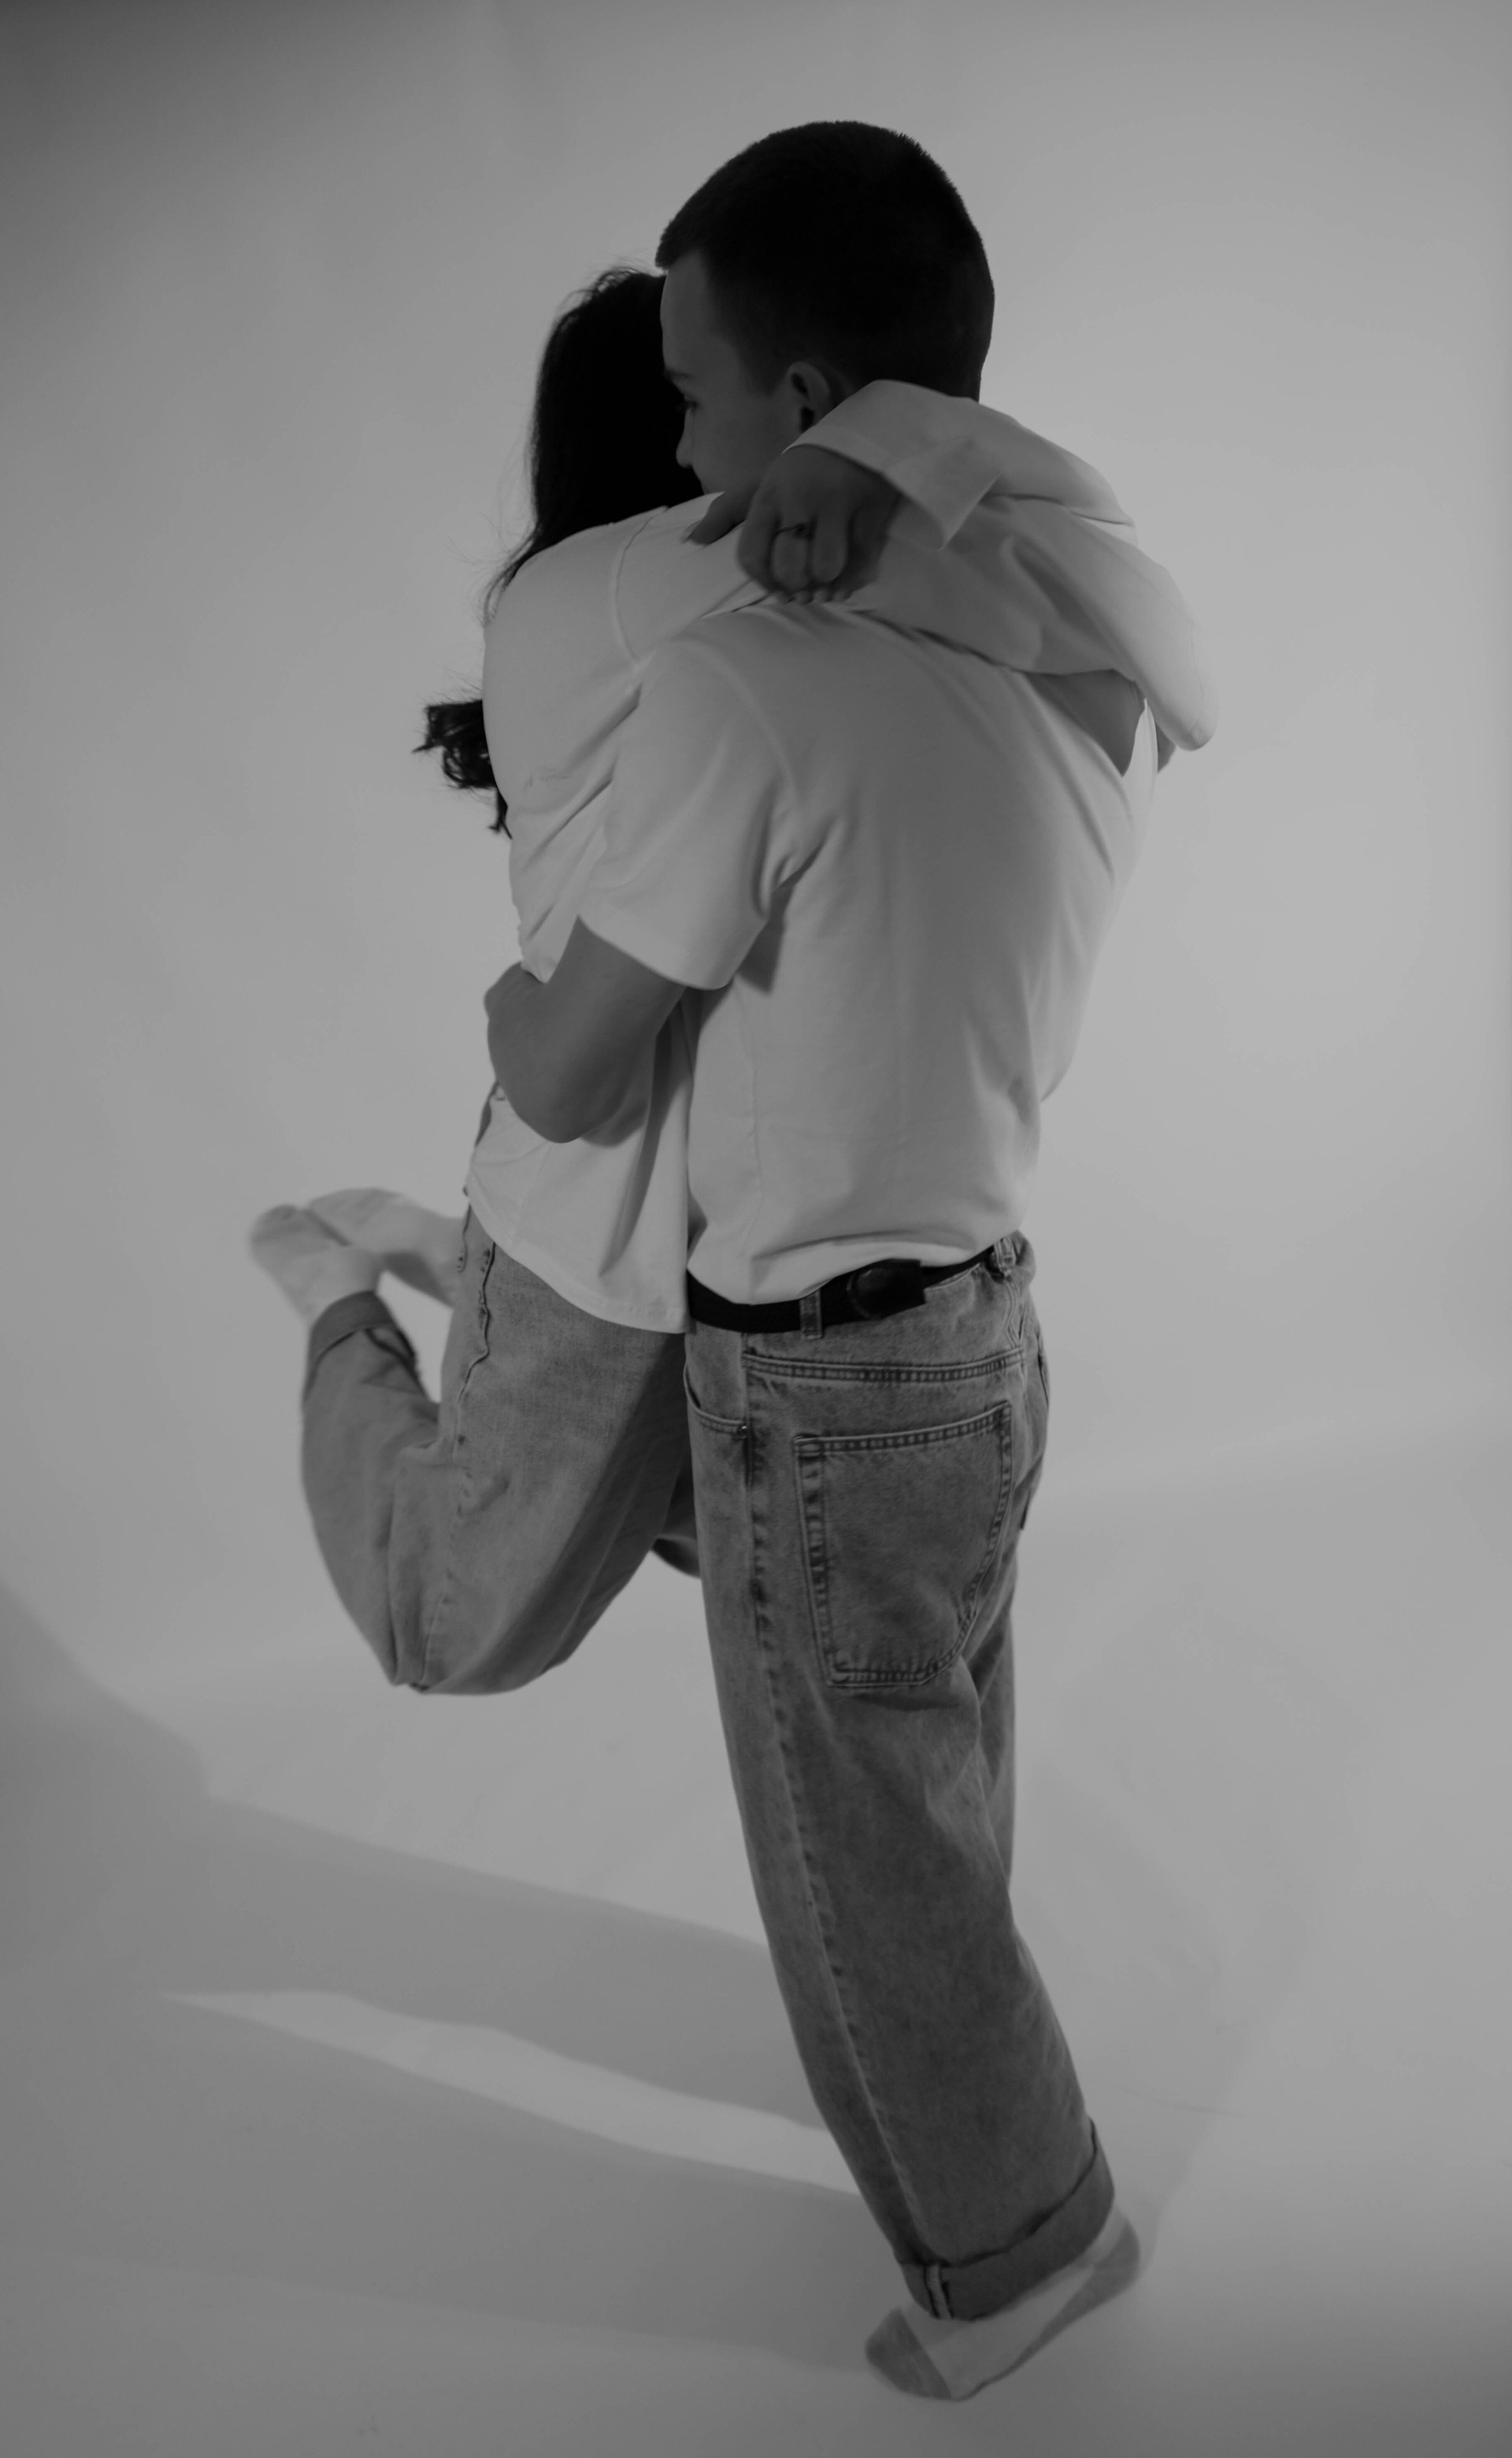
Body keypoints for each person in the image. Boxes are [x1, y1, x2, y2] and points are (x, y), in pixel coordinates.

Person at [481, 121, 1214, 2400]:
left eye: (701, 395)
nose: (682, 449)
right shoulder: (1081, 654)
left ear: (805, 402)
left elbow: (576, 1077)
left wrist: (505, 999)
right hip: (983, 1338)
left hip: (811, 1378)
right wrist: (905, 449)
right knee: (926, 1799)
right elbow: (1106, 540)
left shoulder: (745, 685)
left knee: (855, 1859)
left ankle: (1018, 2252)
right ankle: (1001, 2142)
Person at [250, 250, 1210, 1701]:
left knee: (771, 1564)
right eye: (690, 401)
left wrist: (882, 452)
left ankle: (451, 1270)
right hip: (591, 1231)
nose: (720, 442)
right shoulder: (607, 587)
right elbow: (1108, 609)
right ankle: (341, 1295)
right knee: (446, 1630)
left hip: (757, 1260)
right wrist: (891, 446)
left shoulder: (803, 610)